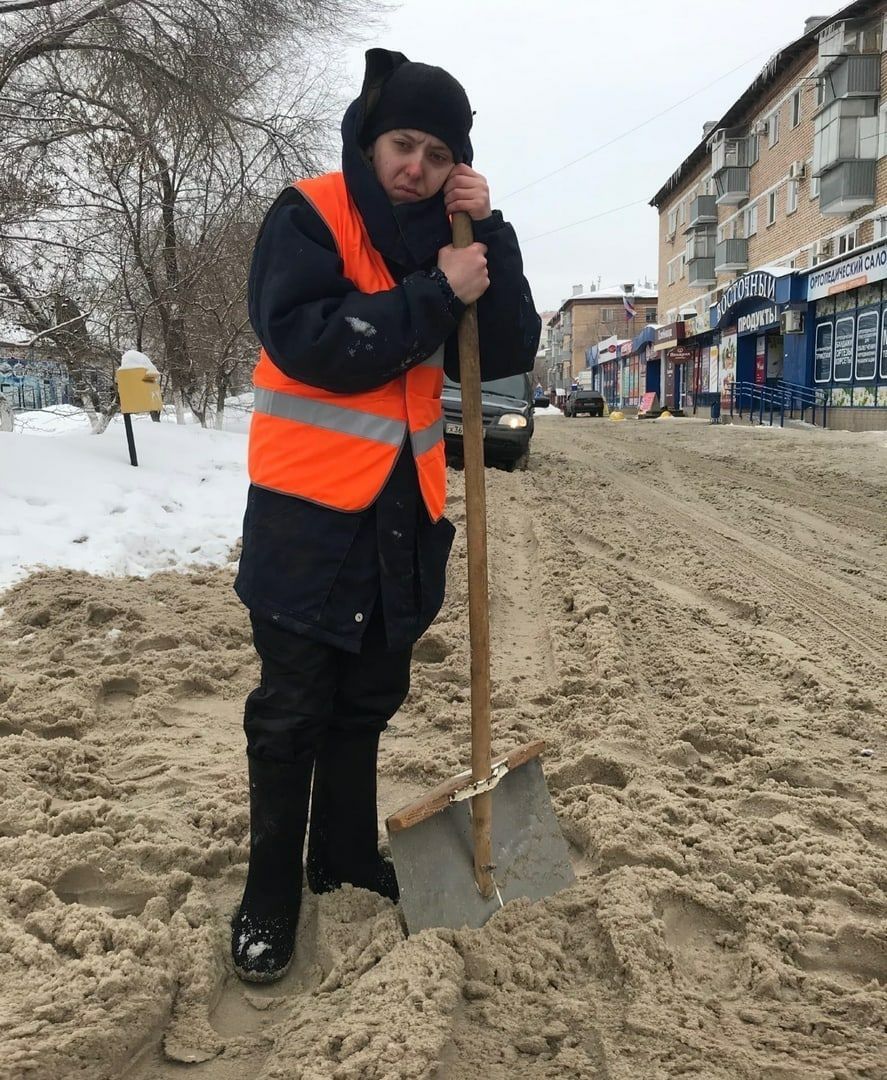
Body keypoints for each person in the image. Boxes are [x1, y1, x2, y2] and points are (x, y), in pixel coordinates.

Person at [231, 48, 540, 982]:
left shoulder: (449, 238)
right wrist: (440, 288)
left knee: (366, 703)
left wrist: (493, 243)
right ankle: (271, 891)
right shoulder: (310, 215)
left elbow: (510, 347)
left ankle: (344, 858)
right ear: (370, 141)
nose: (416, 166)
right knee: (291, 714)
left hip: (399, 517)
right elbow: (315, 342)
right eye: (403, 144)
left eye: (438, 154)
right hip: (304, 518)